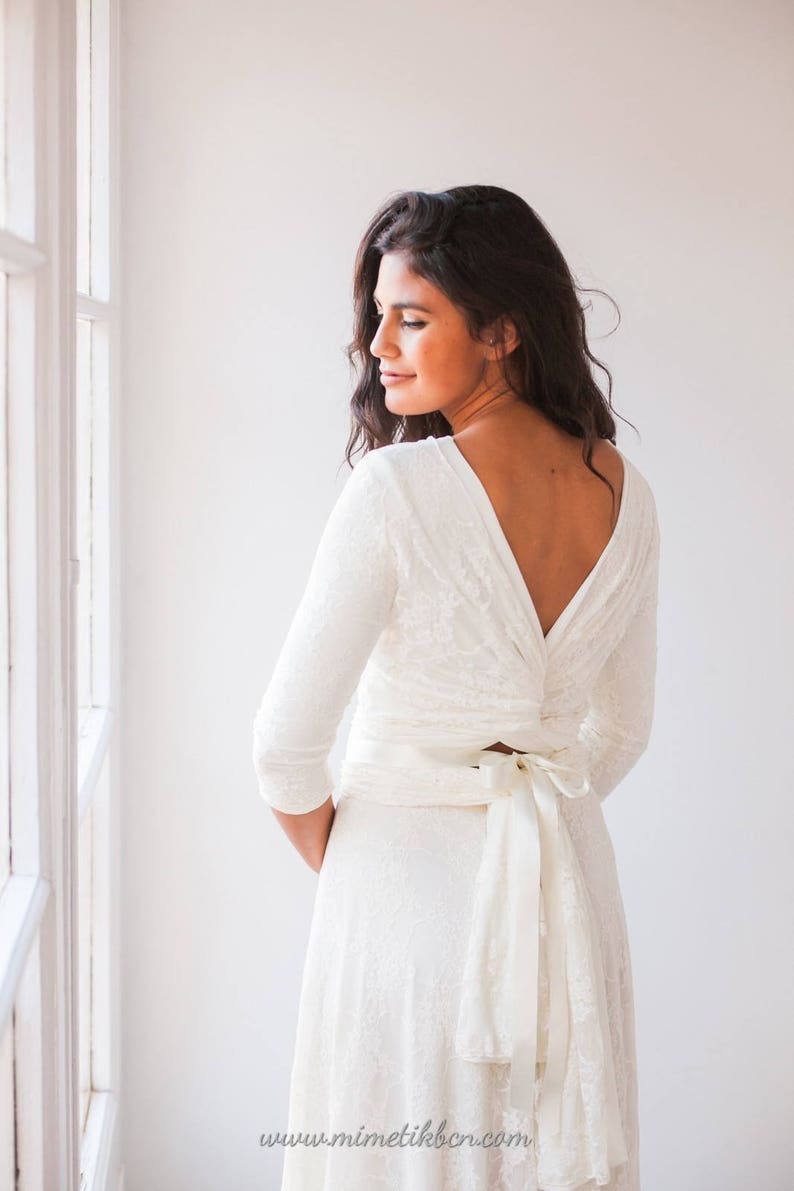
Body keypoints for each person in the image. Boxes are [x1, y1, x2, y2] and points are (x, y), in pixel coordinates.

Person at [252, 184, 660, 1191]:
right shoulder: (622, 487)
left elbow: (282, 749)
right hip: (564, 898)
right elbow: (619, 734)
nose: (377, 341)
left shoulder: (395, 491)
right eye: (377, 314)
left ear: (501, 332)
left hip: (403, 916)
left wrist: (379, 863)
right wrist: (518, 839)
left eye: (413, 316)